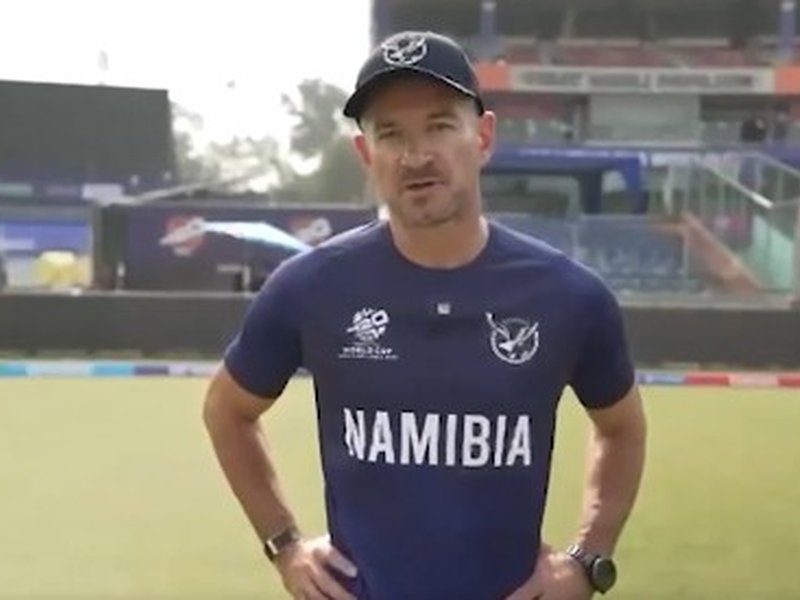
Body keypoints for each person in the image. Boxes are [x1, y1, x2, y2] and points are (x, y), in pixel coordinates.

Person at [203, 30, 647, 600]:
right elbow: (227, 410)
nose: (415, 156)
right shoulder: (310, 287)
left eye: (439, 125)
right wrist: (284, 544)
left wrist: (588, 558)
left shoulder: (568, 296)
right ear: (366, 154)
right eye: (391, 134)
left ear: (483, 137)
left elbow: (622, 427)